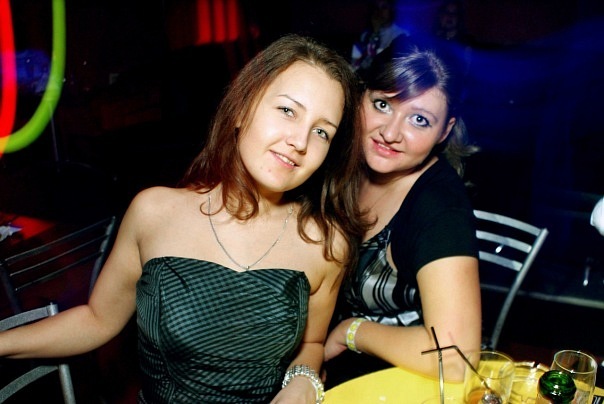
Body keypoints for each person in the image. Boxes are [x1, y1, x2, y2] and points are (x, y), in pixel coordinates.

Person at [0, 34, 370, 403]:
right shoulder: (154, 213)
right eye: (288, 110)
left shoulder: (325, 244)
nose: (300, 142)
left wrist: (304, 380)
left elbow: (312, 343)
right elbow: (97, 319)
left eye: (322, 132)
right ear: (242, 108)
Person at [323, 43, 482, 387]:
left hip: (400, 383)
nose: (390, 133)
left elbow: (456, 358)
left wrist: (352, 331)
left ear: (444, 132)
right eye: (383, 104)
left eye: (419, 120)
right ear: (360, 96)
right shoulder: (337, 161)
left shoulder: (439, 207)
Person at [350, 0, 409, 72]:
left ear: (391, 10)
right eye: (377, 8)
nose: (380, 12)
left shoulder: (401, 34)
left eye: (384, 8)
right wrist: (375, 32)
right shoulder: (365, 35)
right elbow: (357, 64)